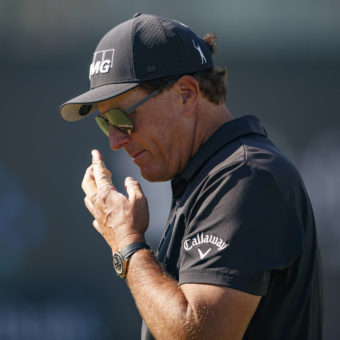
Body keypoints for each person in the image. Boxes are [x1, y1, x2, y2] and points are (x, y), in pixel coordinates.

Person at [59, 13, 323, 339]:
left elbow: (198, 335)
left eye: (121, 116)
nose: (115, 139)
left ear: (186, 93)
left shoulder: (243, 177)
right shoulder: (212, 175)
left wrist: (127, 243)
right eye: (105, 122)